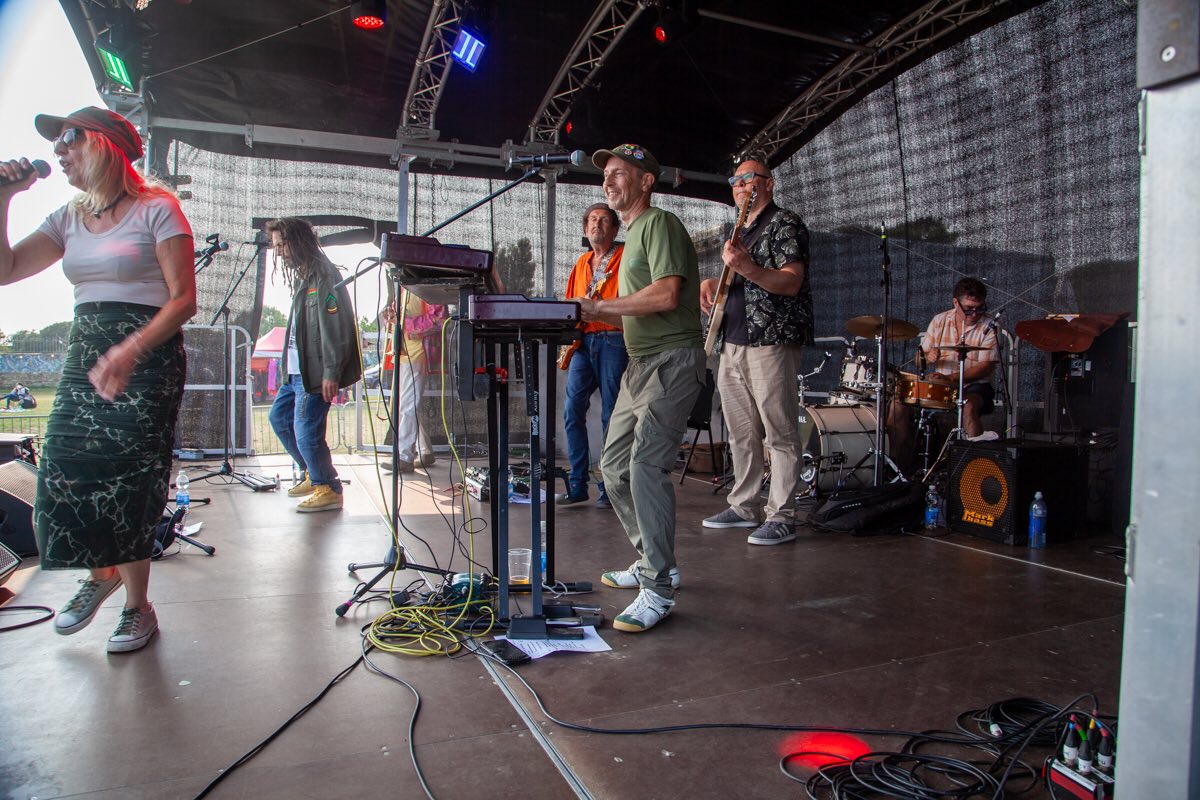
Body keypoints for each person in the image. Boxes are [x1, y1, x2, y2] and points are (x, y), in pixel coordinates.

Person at [0, 106, 196, 653]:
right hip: (86, 350)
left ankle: (138, 608)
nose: (59, 151)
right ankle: (100, 574)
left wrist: (131, 349)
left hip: (147, 355)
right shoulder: (68, 216)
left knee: (129, 481)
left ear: (106, 144)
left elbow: (183, 299)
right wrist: (4, 197)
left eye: (70, 138)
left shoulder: (158, 209)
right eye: (57, 143)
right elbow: (5, 270)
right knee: (64, 468)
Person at [578, 143, 705, 633]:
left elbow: (668, 295)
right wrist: (585, 312)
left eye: (618, 173)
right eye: (605, 175)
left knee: (645, 465)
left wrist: (600, 307)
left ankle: (658, 588)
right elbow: (636, 307)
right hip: (641, 363)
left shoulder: (659, 223)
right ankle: (655, 559)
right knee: (612, 467)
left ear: (646, 181)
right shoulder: (631, 238)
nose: (608, 181)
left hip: (672, 360)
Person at [699, 156, 813, 546]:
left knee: (779, 432)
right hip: (732, 340)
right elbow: (742, 279)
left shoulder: (785, 222)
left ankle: (782, 515)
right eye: (734, 180)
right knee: (741, 433)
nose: (739, 185)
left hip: (770, 341)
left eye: (748, 178)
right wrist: (714, 282)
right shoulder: (739, 231)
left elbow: (790, 282)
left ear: (769, 183)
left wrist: (745, 268)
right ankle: (744, 506)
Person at [267, 218, 361, 512]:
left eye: (281, 245)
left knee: (307, 431)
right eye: (275, 246)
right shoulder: (303, 276)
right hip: (296, 371)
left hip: (314, 372)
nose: (279, 252)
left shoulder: (323, 274)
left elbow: (335, 325)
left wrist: (331, 371)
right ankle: (314, 472)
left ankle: (328, 487)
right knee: (279, 419)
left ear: (297, 241)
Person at [556, 202, 628, 509]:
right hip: (583, 342)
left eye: (604, 220)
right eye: (593, 220)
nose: (597, 224)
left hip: (614, 339)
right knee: (572, 409)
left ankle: (610, 486)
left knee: (612, 414)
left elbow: (631, 301)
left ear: (615, 229)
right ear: (586, 229)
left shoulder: (624, 257)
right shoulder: (581, 262)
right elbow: (570, 303)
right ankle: (577, 484)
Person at [887, 277, 1000, 468]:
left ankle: (973, 469)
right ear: (955, 302)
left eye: (980, 308)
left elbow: (986, 367)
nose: (974, 314)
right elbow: (919, 359)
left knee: (968, 406)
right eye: (969, 309)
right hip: (941, 386)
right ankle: (898, 466)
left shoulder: (990, 325)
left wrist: (951, 378)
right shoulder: (939, 320)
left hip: (975, 386)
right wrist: (927, 357)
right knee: (899, 401)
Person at [379, 287, 444, 473]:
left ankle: (404, 456)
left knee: (408, 405)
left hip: (418, 352)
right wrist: (391, 315)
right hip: (402, 351)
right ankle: (425, 451)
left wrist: (403, 322)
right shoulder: (403, 287)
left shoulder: (427, 286)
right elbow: (398, 316)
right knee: (407, 404)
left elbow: (438, 319)